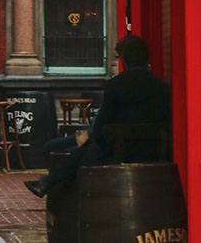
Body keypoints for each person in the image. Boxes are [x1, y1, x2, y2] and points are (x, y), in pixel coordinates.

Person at [24, 35, 171, 198]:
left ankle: (52, 186)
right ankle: (47, 182)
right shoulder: (163, 87)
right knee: (86, 148)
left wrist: (97, 139)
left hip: (121, 149)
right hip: (154, 149)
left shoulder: (116, 85)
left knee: (85, 150)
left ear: (125, 59)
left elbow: (101, 125)